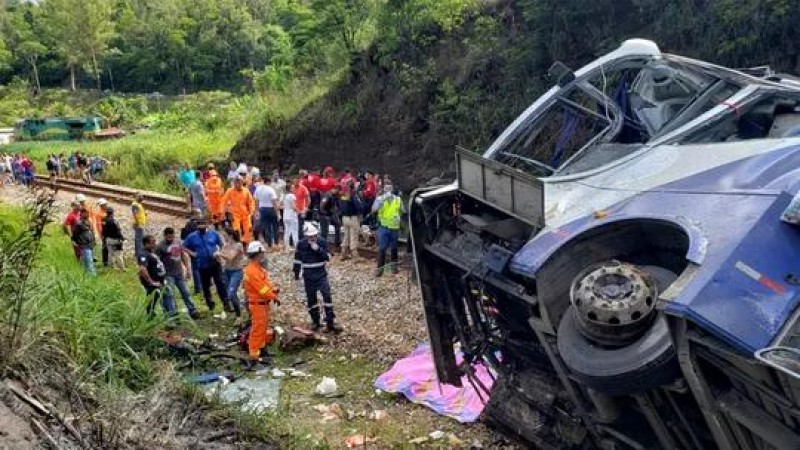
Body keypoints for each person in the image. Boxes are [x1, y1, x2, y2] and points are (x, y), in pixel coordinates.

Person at [293, 223, 341, 333]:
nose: (312, 238)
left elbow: (327, 257)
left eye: (314, 236)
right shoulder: (301, 244)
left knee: (327, 296)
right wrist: (296, 274)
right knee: (311, 299)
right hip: (308, 276)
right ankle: (316, 321)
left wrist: (318, 249)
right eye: (310, 237)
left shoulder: (321, 242)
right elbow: (297, 259)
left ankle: (330, 322)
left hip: (321, 274)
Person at [243, 241, 279, 370]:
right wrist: (273, 296)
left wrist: (273, 290)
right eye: (261, 253)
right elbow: (261, 289)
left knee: (262, 328)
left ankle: (262, 350)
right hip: (257, 304)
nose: (263, 255)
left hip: (262, 304)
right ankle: (253, 357)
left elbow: (265, 284)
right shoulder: (252, 271)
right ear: (257, 254)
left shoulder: (258, 268)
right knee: (257, 330)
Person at [182, 218, 231, 315]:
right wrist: (192, 253)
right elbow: (183, 246)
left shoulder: (214, 234)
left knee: (220, 283)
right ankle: (210, 304)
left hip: (215, 262)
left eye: (203, 224)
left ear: (207, 224)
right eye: (199, 224)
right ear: (197, 225)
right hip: (202, 264)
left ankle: (226, 303)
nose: (201, 226)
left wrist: (219, 252)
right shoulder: (192, 237)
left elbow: (222, 244)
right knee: (206, 286)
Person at [157, 227, 200, 320]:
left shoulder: (178, 243)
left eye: (172, 237)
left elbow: (183, 256)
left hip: (179, 273)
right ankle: (174, 314)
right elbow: (158, 262)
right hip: (168, 274)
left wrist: (188, 269)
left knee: (185, 292)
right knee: (170, 295)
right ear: (164, 236)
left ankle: (192, 310)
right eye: (168, 237)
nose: (170, 239)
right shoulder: (160, 246)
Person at [138, 235, 176, 318]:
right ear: (146, 244)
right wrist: (151, 282)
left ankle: (170, 314)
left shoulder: (151, 253)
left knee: (166, 296)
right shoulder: (143, 254)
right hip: (154, 282)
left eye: (154, 242)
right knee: (153, 299)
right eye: (152, 243)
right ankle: (153, 316)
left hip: (160, 280)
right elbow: (142, 269)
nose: (155, 244)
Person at [372, 184, 405, 277]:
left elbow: (403, 211)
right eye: (386, 188)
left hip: (394, 228)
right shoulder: (380, 199)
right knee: (382, 248)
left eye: (390, 188)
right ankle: (380, 270)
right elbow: (373, 209)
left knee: (394, 248)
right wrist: (381, 199)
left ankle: (394, 268)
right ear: (384, 189)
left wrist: (399, 219)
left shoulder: (398, 199)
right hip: (383, 227)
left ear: (392, 189)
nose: (388, 190)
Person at [218, 228, 246, 322]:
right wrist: (217, 256)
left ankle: (240, 311)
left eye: (225, 235)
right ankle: (238, 315)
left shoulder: (238, 245)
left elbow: (230, 258)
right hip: (226, 271)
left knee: (231, 293)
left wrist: (219, 254)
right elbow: (222, 257)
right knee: (231, 294)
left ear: (230, 235)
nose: (223, 237)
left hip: (236, 272)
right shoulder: (225, 245)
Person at [222, 175, 256, 243]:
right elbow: (224, 201)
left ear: (242, 182)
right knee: (236, 230)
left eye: (239, 182)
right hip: (235, 213)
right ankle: (238, 242)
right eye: (236, 182)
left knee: (248, 229)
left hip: (245, 213)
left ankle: (245, 243)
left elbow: (251, 202)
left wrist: (252, 212)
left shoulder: (246, 190)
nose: (238, 184)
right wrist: (224, 212)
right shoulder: (230, 190)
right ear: (234, 183)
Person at [254, 176, 279, 249]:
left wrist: (256, 210)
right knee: (275, 227)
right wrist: (277, 212)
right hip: (271, 209)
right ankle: (276, 243)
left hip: (262, 209)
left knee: (267, 228)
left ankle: (270, 244)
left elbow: (256, 201)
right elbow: (274, 201)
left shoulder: (258, 189)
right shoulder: (270, 189)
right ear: (268, 182)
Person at [339, 180, 362, 260]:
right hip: (353, 218)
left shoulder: (342, 195)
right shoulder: (353, 195)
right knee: (354, 236)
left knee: (346, 236)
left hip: (344, 218)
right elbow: (358, 206)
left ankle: (343, 253)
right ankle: (355, 256)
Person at [72, 208, 96, 276]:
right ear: (81, 213)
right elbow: (75, 234)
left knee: (85, 263)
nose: (87, 214)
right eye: (85, 213)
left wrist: (93, 241)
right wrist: (75, 242)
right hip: (84, 245)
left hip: (89, 245)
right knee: (89, 262)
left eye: (88, 213)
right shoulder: (79, 223)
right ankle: (92, 276)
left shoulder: (88, 222)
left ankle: (84, 276)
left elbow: (92, 232)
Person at [319, 185, 341, 250]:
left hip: (331, 214)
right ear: (333, 189)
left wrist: (336, 212)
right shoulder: (327, 195)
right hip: (324, 215)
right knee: (324, 232)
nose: (337, 191)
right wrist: (325, 214)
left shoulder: (335, 196)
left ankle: (337, 242)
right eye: (336, 190)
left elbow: (335, 205)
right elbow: (321, 206)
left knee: (338, 224)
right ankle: (323, 246)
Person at [282, 187, 299, 252]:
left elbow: (280, 205)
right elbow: (294, 206)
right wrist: (298, 211)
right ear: (290, 189)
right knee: (294, 232)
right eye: (292, 187)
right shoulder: (292, 196)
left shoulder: (283, 196)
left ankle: (287, 248)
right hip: (292, 215)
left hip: (285, 214)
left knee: (287, 232)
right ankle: (297, 248)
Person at [93, 198, 109, 266]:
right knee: (105, 247)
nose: (106, 206)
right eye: (104, 205)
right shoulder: (99, 214)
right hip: (104, 233)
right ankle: (105, 262)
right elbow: (99, 225)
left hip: (109, 232)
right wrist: (101, 234)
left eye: (106, 204)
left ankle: (109, 260)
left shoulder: (107, 212)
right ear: (101, 206)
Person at [131, 193, 147, 258]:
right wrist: (137, 223)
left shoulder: (138, 204)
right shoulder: (134, 205)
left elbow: (139, 213)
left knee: (140, 239)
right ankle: (138, 254)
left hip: (141, 224)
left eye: (142, 196)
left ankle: (138, 253)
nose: (141, 197)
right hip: (139, 225)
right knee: (139, 240)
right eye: (139, 196)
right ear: (136, 197)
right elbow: (135, 214)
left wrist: (144, 214)